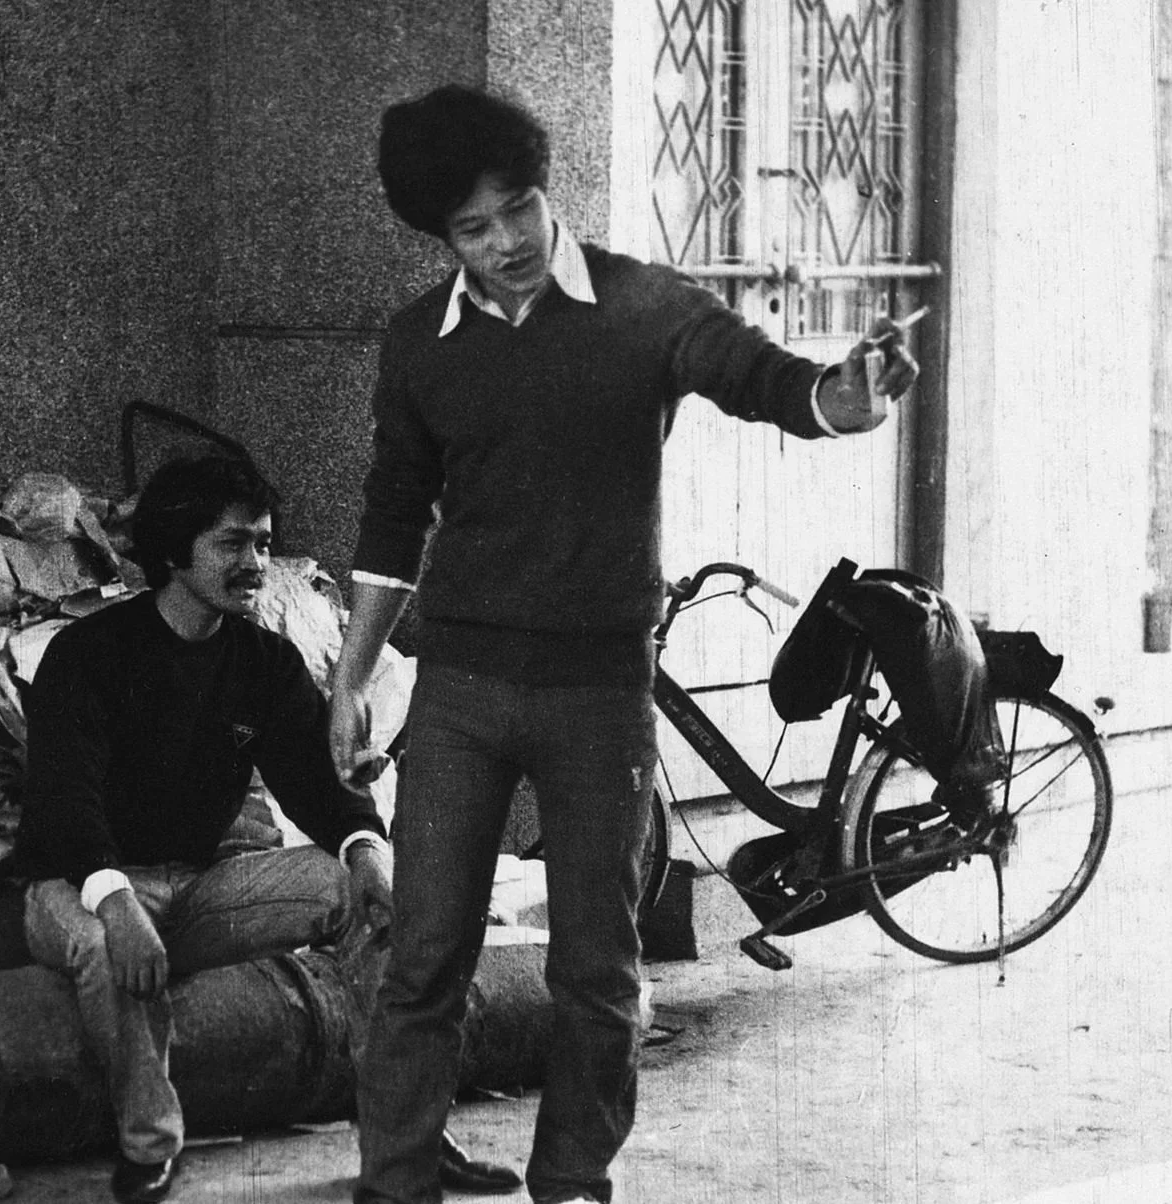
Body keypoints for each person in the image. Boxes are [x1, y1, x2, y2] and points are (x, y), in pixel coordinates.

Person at [331, 85, 919, 1204]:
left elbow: (770, 380)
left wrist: (844, 396)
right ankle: (396, 1181)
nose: (505, 243)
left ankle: (571, 1185)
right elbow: (391, 514)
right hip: (455, 688)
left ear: (547, 187)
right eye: (472, 228)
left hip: (598, 694)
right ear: (440, 237)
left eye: (519, 208)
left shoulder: (645, 307)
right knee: (423, 961)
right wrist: (353, 674)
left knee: (598, 972)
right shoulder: (418, 345)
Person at [9, 453, 507, 1204]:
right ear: (174, 553)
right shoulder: (86, 655)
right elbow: (62, 802)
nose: (257, 564)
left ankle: (407, 1139)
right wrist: (115, 904)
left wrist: (369, 856)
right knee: (106, 948)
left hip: (198, 883)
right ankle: (150, 1148)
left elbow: (318, 784)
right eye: (233, 545)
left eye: (265, 544)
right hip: (78, 885)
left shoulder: (264, 662)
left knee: (367, 892)